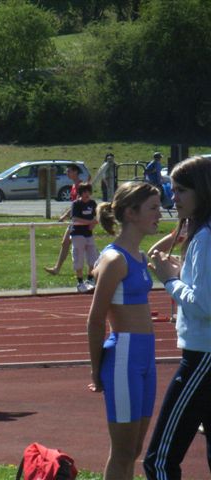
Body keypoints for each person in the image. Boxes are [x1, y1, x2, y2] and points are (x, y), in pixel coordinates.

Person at [87, 181, 163, 480]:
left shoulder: (140, 257)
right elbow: (95, 319)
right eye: (153, 208)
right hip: (124, 356)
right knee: (121, 451)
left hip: (145, 357)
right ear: (131, 213)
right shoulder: (114, 259)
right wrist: (96, 371)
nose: (160, 213)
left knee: (134, 450)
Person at [144, 156, 211, 480]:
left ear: (203, 191)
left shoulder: (205, 237)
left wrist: (170, 278)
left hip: (203, 357)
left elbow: (203, 303)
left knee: (159, 462)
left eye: (181, 189)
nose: (174, 197)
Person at [44, 163, 85, 276]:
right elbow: (73, 205)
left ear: (75, 172)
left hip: (79, 220)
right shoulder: (73, 186)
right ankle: (57, 269)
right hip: (74, 219)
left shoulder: (80, 186)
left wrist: (64, 216)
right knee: (66, 243)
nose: (67, 173)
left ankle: (97, 266)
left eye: (69, 171)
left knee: (82, 245)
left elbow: (78, 204)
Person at [70, 183, 99, 293]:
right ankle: (80, 282)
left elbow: (97, 216)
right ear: (80, 193)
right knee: (79, 257)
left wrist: (94, 223)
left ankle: (90, 280)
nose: (87, 194)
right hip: (78, 234)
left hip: (88, 234)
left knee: (93, 258)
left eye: (88, 192)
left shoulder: (92, 203)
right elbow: (75, 218)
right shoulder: (76, 204)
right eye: (84, 192)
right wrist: (89, 222)